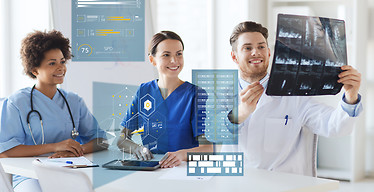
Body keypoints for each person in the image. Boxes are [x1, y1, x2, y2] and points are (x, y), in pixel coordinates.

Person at [225, 21, 362, 176]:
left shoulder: (294, 93)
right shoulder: (221, 94)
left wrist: (351, 97)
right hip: (239, 184)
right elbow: (210, 137)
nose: (256, 52)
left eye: (261, 46)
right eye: (247, 48)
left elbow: (334, 127)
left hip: (285, 185)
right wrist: (240, 114)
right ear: (234, 57)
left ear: (269, 53)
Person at [0, 30, 108, 191]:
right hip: (29, 174)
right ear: (35, 70)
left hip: (69, 171)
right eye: (52, 63)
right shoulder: (16, 103)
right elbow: (6, 151)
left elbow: (101, 140)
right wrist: (55, 147)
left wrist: (76, 150)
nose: (61, 68)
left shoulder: (74, 101)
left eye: (62, 62)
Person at [117, 31, 213, 168]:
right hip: (152, 167)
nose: (174, 61)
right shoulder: (144, 91)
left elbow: (208, 149)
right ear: (152, 60)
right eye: (166, 55)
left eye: (179, 54)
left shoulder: (196, 95)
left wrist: (181, 154)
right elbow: (122, 139)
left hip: (184, 168)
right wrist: (138, 148)